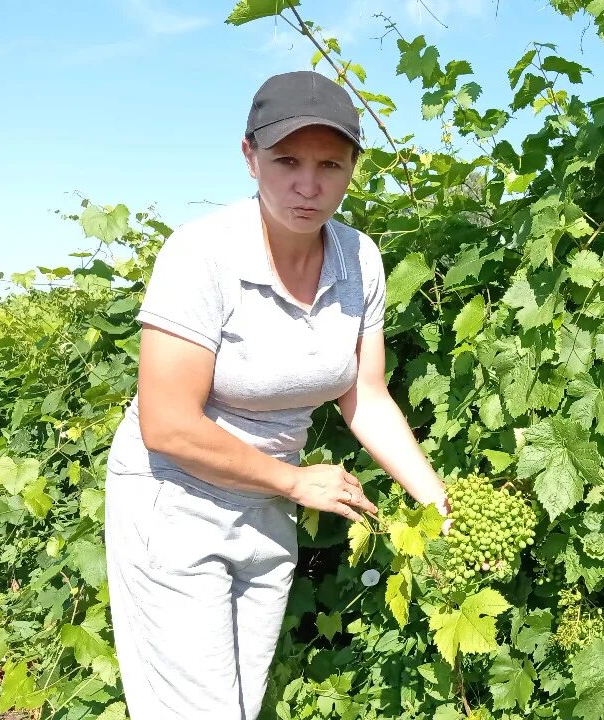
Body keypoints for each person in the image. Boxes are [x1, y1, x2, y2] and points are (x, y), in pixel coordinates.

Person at [102, 70, 450, 720]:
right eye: (287, 161)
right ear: (249, 157)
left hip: (269, 503)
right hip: (175, 500)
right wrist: (293, 484)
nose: (308, 185)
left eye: (330, 165)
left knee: (239, 701)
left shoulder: (360, 260)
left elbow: (365, 397)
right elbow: (167, 423)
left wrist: (436, 501)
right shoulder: (201, 256)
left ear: (352, 168)